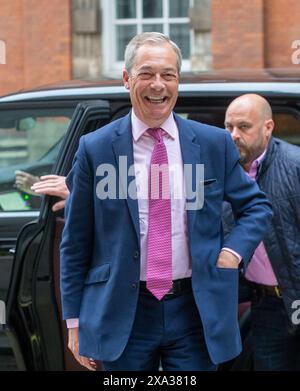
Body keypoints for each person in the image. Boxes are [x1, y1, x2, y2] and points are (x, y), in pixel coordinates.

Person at [59, 32, 272, 371]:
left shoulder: (213, 143)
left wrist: (233, 252)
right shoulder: (95, 149)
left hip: (195, 311)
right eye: (146, 73)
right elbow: (75, 242)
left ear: (178, 81)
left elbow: (257, 207)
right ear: (127, 79)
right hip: (122, 312)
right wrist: (74, 321)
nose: (158, 85)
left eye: (168, 75)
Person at [224, 93, 300, 370]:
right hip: (265, 303)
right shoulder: (221, 174)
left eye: (243, 127)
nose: (233, 135)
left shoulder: (294, 166)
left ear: (268, 127)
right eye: (228, 126)